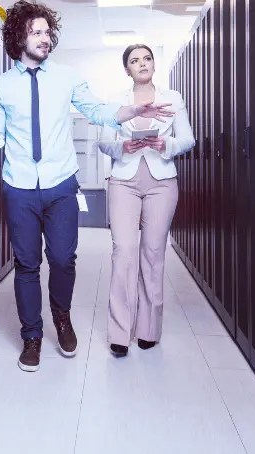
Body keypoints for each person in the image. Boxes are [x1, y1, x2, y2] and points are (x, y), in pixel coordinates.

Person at [0, 0, 174, 372]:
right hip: (19, 187)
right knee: (26, 263)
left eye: (48, 32)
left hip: (61, 183)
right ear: (19, 37)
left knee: (63, 259)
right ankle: (31, 335)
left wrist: (131, 111)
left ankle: (61, 317)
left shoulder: (66, 77)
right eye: (37, 32)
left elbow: (96, 110)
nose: (44, 38)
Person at [96, 44, 195, 357]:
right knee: (123, 252)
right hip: (123, 181)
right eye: (134, 60)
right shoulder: (117, 102)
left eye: (147, 58)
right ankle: (119, 333)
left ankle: (149, 330)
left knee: (153, 254)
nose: (142, 63)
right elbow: (103, 142)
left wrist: (165, 143)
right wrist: (123, 147)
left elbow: (188, 139)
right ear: (127, 69)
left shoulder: (173, 98)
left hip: (161, 182)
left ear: (154, 64)